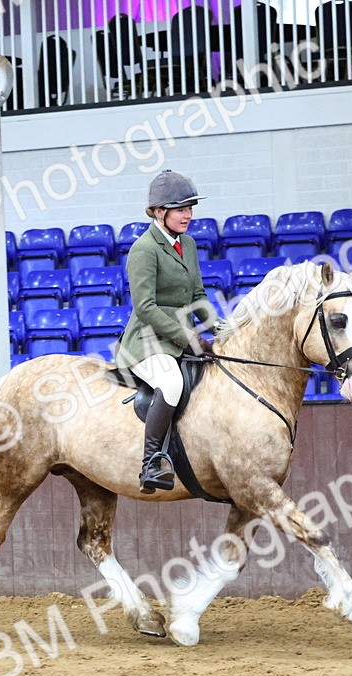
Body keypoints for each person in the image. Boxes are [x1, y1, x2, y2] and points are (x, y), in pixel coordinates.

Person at [116, 169, 218, 494]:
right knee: (171, 383)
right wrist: (188, 337)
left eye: (190, 208)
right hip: (146, 342)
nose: (188, 215)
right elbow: (146, 308)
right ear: (160, 212)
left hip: (178, 339)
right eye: (181, 209)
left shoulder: (187, 244)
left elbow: (198, 295)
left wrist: (218, 326)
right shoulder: (144, 249)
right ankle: (150, 464)